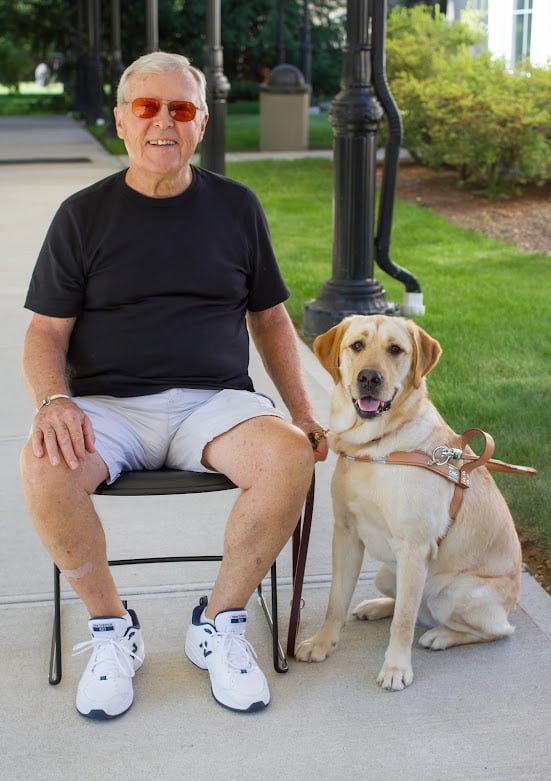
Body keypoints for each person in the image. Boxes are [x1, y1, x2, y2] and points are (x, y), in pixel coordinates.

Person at [20, 51, 327, 720]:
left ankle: (218, 622)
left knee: (287, 455)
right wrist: (54, 401)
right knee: (45, 465)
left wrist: (302, 412)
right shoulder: (82, 216)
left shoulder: (237, 207)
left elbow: (270, 319)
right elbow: (46, 332)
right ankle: (111, 631)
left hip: (213, 404)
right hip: (107, 405)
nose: (165, 121)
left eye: (180, 109)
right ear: (122, 122)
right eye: (148, 107)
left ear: (202, 122)